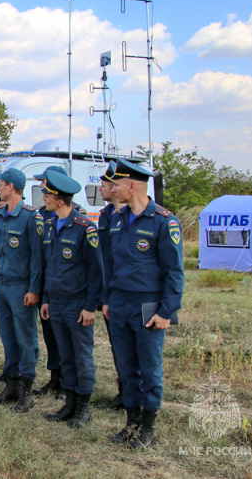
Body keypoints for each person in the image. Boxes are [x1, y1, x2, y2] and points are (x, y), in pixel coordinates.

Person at [104, 158, 184, 449]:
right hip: (119, 303)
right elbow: (109, 264)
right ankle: (131, 423)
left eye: (117, 184)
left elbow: (174, 272)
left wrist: (167, 311)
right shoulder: (118, 219)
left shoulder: (163, 221)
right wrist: (107, 299)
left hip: (148, 305)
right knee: (126, 368)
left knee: (149, 369)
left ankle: (148, 428)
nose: (112, 189)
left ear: (132, 186)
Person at [40, 170, 104, 428]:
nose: (43, 197)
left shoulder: (84, 228)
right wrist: (45, 299)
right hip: (55, 302)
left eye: (47, 194)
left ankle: (83, 406)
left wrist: (90, 306)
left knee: (81, 356)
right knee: (64, 355)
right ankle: (69, 402)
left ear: (60, 199)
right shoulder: (48, 225)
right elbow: (49, 268)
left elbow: (96, 272)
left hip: (78, 305)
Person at [0, 168, 43, 412]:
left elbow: (37, 259)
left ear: (12, 187)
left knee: (25, 338)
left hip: (21, 287)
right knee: (8, 337)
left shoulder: (31, 217)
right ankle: (11, 385)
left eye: (1, 183)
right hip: (1, 285)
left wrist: (34, 289)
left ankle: (27, 391)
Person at [32, 165, 86, 397]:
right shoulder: (41, 214)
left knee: (70, 340)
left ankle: (69, 382)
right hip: (48, 286)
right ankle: (55, 377)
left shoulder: (79, 215)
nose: (42, 187)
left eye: (45, 182)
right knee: (50, 335)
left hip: (70, 290)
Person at [97, 161, 125, 409]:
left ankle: (135, 397)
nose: (104, 189)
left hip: (134, 292)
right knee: (118, 345)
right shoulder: (106, 215)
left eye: (105, 184)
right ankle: (123, 391)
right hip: (111, 290)